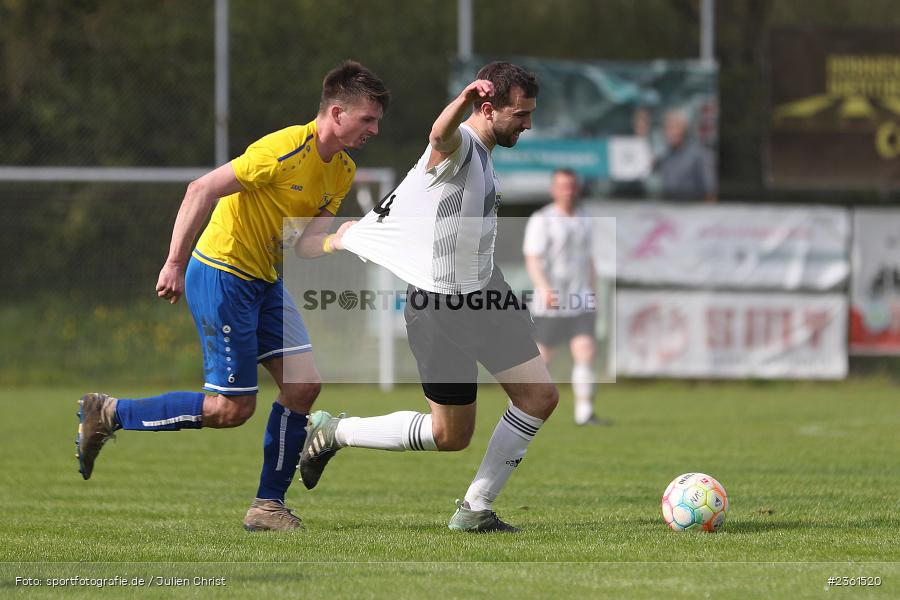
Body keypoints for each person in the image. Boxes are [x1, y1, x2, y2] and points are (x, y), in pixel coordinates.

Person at [75, 60, 390, 532]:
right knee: (230, 409)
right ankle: (109, 413)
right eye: (368, 119)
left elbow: (305, 243)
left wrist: (342, 238)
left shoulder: (342, 170)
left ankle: (267, 507)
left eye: (378, 121)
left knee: (303, 386)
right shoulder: (282, 150)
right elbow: (201, 188)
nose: (374, 130)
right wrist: (174, 262)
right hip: (222, 273)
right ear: (337, 112)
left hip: (264, 279)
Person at [299, 61, 558, 533]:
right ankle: (335, 431)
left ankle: (474, 509)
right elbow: (439, 136)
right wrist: (457, 103)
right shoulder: (458, 149)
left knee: (540, 396)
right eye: (521, 114)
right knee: (449, 435)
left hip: (485, 293)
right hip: (442, 307)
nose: (528, 123)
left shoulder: (483, 157)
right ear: (486, 108)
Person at [523, 168, 609, 426]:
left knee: (585, 351)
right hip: (551, 301)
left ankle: (585, 413)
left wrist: (592, 292)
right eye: (562, 185)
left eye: (571, 185)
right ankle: (520, 407)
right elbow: (532, 258)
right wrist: (544, 288)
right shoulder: (543, 219)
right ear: (554, 189)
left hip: (579, 298)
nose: (568, 190)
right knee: (542, 358)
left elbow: (589, 259)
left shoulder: (584, 218)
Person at [654, 109, 716, 203]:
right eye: (668, 128)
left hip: (692, 210)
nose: (671, 132)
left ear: (684, 129)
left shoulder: (698, 154)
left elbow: (709, 190)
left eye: (675, 127)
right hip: (667, 209)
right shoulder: (663, 155)